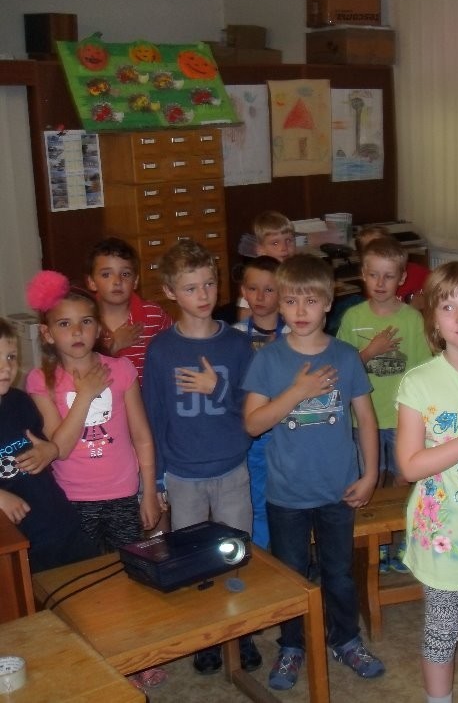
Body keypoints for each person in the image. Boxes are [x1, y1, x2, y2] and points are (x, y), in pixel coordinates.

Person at [243, 253, 384, 690]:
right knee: (292, 575)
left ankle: (346, 639)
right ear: (280, 305)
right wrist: (298, 391)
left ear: (327, 302)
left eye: (310, 300)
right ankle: (292, 646)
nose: (300, 311)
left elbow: (366, 420)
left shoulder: (345, 356)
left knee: (339, 573)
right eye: (290, 301)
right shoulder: (268, 359)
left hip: (338, 489)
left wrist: (371, 474)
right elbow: (253, 424)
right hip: (287, 492)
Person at [141, 240, 259, 675]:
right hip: (183, 474)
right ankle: (206, 636)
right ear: (170, 292)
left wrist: (218, 389)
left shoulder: (237, 345)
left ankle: (241, 634)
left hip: (231, 467)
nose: (204, 295)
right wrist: (154, 480)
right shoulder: (161, 350)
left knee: (235, 553)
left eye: (209, 283)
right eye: (191, 288)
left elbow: (253, 408)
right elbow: (152, 417)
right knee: (193, 559)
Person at [395, 262, 458, 703]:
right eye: (448, 306)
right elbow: (410, 466)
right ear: (433, 320)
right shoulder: (419, 383)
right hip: (444, 537)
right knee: (440, 635)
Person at [24, 271, 160, 551]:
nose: (77, 331)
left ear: (99, 329)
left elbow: (142, 437)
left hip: (123, 493)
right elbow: (60, 449)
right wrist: (85, 395)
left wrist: (149, 491)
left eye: (86, 321)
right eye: (64, 323)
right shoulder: (40, 380)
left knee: (128, 565)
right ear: (47, 334)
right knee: (86, 568)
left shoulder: (121, 370)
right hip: (72, 497)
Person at [0, 316, 101, 573]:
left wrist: (48, 450)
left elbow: (43, 446)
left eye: (11, 357)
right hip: (21, 540)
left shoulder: (19, 402)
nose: (6, 367)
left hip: (59, 521)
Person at [338, 236, 432, 486]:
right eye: (373, 275)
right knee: (371, 479)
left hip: (404, 418)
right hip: (362, 417)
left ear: (401, 278)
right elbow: (341, 370)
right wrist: (370, 351)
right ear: (363, 274)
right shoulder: (352, 318)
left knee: (406, 477)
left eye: (388, 276)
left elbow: (424, 370)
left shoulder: (413, 319)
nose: (380, 283)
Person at [232, 255, 288, 549]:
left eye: (269, 290)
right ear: (243, 291)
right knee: (254, 502)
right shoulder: (232, 336)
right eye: (253, 289)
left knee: (286, 499)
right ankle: (264, 558)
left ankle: (289, 558)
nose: (260, 297)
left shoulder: (294, 334)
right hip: (249, 436)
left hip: (286, 433)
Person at [85, 237, 172, 385]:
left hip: (147, 396)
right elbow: (80, 367)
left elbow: (174, 348)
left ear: (135, 281)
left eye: (125, 274)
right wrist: (114, 345)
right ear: (92, 282)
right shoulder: (84, 320)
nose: (117, 281)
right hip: (104, 397)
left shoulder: (153, 314)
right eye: (106, 274)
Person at [236, 210, 298, 322]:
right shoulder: (254, 278)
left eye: (288, 240)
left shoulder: (298, 274)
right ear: (260, 250)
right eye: (275, 243)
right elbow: (244, 317)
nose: (284, 248)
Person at [355, 224, 431, 308]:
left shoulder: (416, 271)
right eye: (371, 250)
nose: (380, 283)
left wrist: (426, 300)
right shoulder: (373, 285)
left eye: (382, 247)